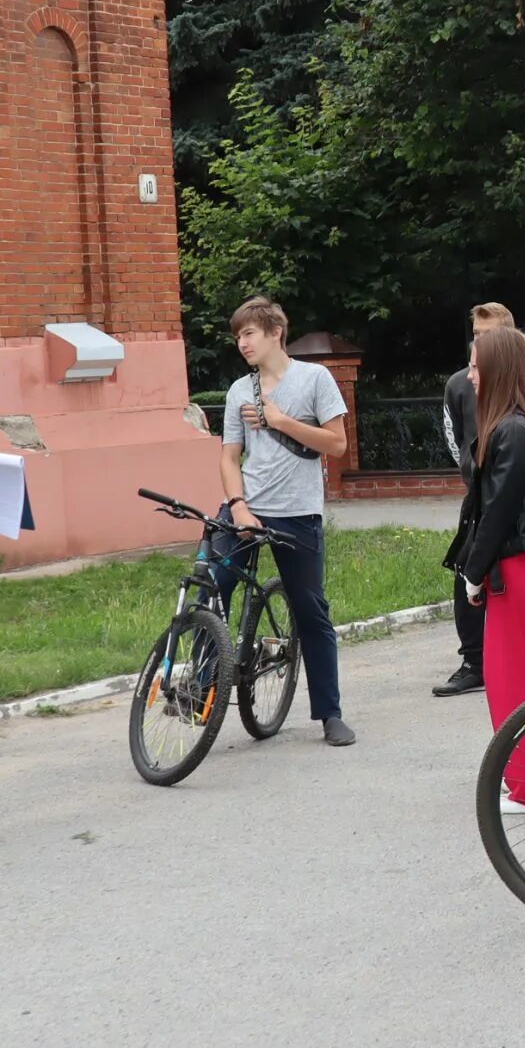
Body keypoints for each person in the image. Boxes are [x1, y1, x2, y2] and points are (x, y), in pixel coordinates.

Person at [221, 296, 354, 744]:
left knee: (310, 610)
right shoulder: (240, 390)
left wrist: (280, 420)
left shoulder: (315, 378)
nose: (242, 343)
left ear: (276, 332)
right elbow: (228, 456)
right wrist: (237, 503)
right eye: (238, 336)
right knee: (211, 589)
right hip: (247, 507)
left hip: (297, 513)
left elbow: (336, 445)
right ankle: (198, 690)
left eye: (249, 333)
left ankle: (330, 714)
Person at [455, 327, 525, 810]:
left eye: (478, 366)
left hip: (515, 563)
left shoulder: (512, 428)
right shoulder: (523, 423)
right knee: (513, 674)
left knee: (516, 678)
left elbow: (498, 511)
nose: (470, 375)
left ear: (499, 369)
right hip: (522, 562)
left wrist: (474, 572)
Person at [435, 301, 514, 699]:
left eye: (489, 335)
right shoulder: (459, 383)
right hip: (478, 492)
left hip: (511, 495)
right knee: (467, 566)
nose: (481, 343)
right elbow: (454, 433)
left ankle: (506, 656)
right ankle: (473, 659)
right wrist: (472, 471)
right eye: (477, 335)